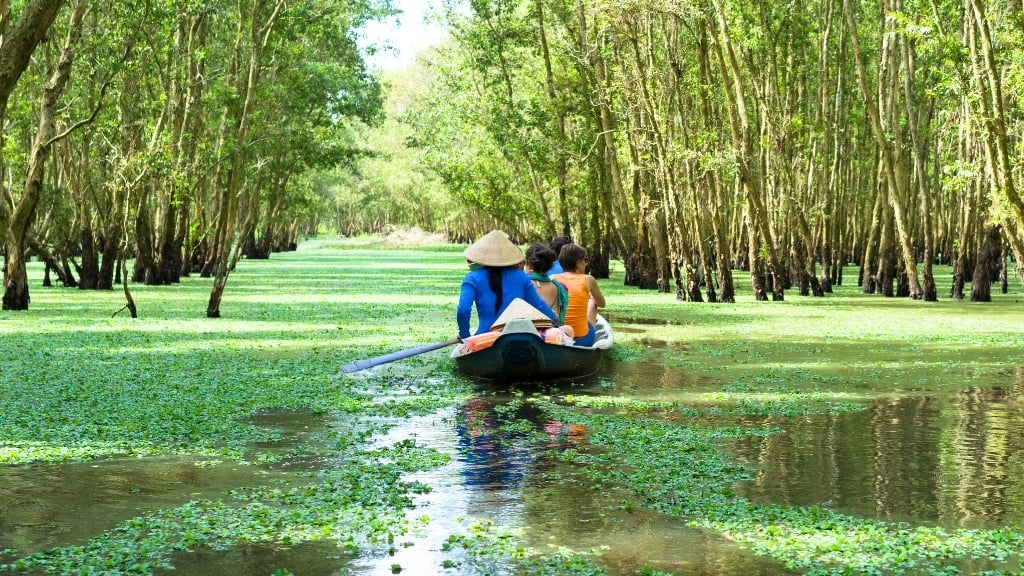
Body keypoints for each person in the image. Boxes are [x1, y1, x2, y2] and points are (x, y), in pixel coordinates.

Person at [457, 230, 556, 340]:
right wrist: (554, 317)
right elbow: (539, 305)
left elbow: (463, 310)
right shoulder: (521, 276)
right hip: (518, 336)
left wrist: (465, 335)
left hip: (485, 337)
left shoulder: (471, 278)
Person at [552, 243, 606, 347]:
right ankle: (588, 332)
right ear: (578, 262)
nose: (586, 264)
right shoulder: (588, 279)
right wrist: (590, 297)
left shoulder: (552, 278)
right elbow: (602, 304)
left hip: (559, 338)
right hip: (582, 340)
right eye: (585, 260)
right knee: (593, 302)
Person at [524, 242, 568, 326]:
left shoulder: (523, 284)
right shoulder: (558, 287)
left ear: (528, 264)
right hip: (552, 333)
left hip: (529, 332)